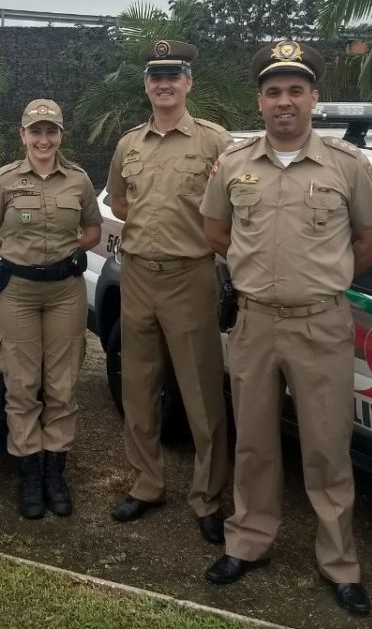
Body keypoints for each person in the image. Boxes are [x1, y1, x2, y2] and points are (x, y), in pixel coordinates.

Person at [199, 39, 372, 616]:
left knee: (327, 448)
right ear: (259, 102)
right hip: (255, 324)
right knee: (255, 442)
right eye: (273, 92)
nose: (284, 101)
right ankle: (248, 542)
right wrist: (260, 273)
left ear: (313, 98)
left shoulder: (346, 165)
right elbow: (214, 231)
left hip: (321, 326)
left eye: (295, 91)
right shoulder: (234, 164)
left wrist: (326, 278)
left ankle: (339, 562)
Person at [104, 40, 233, 545]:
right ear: (146, 84)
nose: (164, 83)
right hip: (137, 273)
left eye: (173, 74)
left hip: (189, 276)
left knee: (202, 392)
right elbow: (118, 200)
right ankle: (147, 483)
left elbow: (235, 206)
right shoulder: (128, 144)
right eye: (156, 75)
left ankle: (207, 497)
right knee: (138, 386)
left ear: (188, 82)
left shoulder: (214, 142)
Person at [0, 99, 102, 519]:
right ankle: (30, 473)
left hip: (65, 291)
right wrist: (22, 257)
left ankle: (55, 472)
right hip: (18, 293)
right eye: (36, 132)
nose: (44, 139)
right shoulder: (6, 180)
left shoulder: (79, 181)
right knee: (22, 382)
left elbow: (91, 231)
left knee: (63, 384)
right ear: (23, 136)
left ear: (61, 135)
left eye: (51, 131)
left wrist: (60, 257)